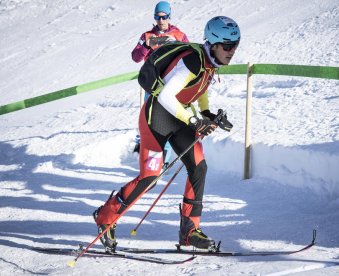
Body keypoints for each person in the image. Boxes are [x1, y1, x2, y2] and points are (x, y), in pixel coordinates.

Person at [93, 16, 241, 252]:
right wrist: (194, 120)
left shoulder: (210, 62)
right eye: (228, 46)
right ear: (213, 43)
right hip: (157, 120)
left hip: (178, 117)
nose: (232, 51)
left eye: (236, 45)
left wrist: (206, 113)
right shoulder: (193, 60)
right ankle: (105, 215)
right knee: (150, 176)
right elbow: (165, 97)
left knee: (198, 166)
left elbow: (200, 89)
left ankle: (190, 230)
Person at [131, 1, 189, 170]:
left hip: (172, 85)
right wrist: (145, 46)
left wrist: (177, 45)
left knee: (169, 120)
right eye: (157, 16)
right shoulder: (147, 35)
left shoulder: (178, 34)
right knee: (150, 121)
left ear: (169, 16)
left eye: (164, 17)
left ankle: (164, 160)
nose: (161, 20)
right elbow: (135, 57)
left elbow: (190, 54)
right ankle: (147, 157)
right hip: (152, 84)